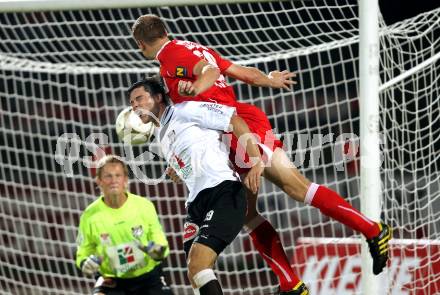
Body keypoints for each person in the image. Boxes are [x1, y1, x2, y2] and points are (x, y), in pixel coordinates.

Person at [132, 14, 391, 293]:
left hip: (238, 124)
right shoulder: (193, 47)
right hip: (226, 128)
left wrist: (197, 87)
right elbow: (241, 73)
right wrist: (268, 80)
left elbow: (211, 73)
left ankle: (373, 230)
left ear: (141, 43)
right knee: (247, 212)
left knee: (295, 187)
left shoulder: (170, 56)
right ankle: (290, 283)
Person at [128, 78, 269, 295]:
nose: (134, 106)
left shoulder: (186, 109)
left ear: (157, 97)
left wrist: (256, 160)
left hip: (223, 191)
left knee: (198, 264)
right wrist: (178, 170)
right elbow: (190, 158)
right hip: (196, 203)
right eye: (131, 103)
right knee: (195, 273)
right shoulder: (160, 135)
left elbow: (234, 120)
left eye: (139, 99)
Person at [75, 155, 173, 295]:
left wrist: (157, 251)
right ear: (99, 181)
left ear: (125, 180)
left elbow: (161, 243)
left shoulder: (144, 206)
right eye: (108, 176)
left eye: (118, 175)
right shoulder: (89, 215)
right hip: (111, 281)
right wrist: (85, 263)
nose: (113, 181)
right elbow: (83, 253)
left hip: (148, 278)